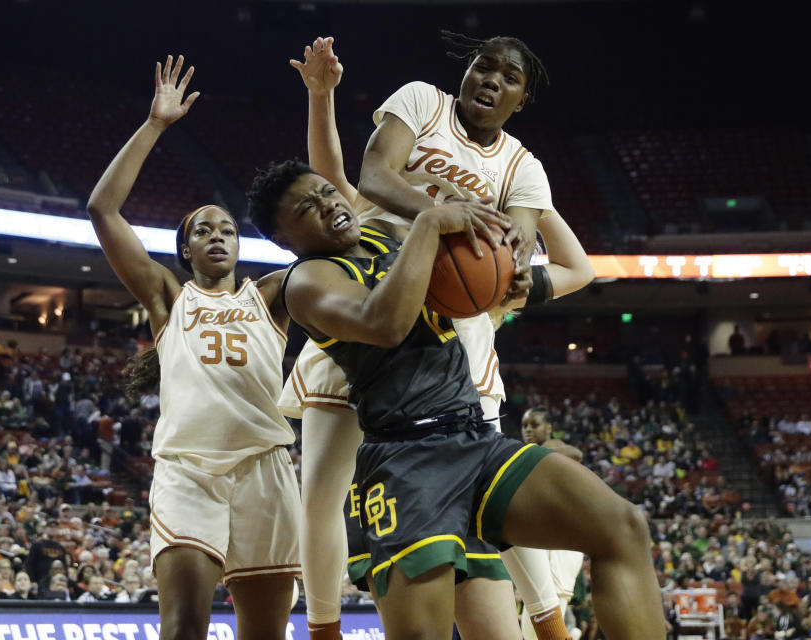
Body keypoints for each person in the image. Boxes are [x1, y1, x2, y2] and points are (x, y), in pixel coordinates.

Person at [247, 161, 664, 640]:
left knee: (623, 527)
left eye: (325, 192)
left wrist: (509, 281)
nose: (328, 204)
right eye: (307, 207)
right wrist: (428, 220)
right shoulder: (308, 281)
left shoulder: (388, 242)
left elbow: (474, 284)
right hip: (407, 462)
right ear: (283, 240)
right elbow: (384, 323)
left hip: (474, 439)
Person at [284, 34, 594, 640]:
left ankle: (550, 623)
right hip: (370, 293)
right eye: (483, 67)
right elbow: (369, 174)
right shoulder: (423, 101)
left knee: (483, 483)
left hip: (454, 332)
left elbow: (522, 242)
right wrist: (440, 215)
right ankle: (323, 627)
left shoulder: (521, 166)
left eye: (508, 77)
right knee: (322, 486)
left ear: (522, 98)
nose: (490, 80)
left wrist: (515, 278)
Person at [86, 55, 300, 640]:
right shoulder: (168, 299)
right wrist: (155, 125)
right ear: (184, 250)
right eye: (201, 230)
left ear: (239, 244)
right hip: (188, 471)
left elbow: (333, 251)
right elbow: (102, 210)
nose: (216, 236)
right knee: (183, 630)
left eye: (226, 228)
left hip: (265, 470)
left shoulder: (273, 295)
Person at [519, 407, 586, 640]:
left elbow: (576, 454)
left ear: (549, 428)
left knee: (548, 608)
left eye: (534, 424)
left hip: (561, 541)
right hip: (542, 537)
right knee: (534, 611)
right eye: (525, 425)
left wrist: (530, 452)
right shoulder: (527, 455)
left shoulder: (555, 448)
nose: (528, 429)